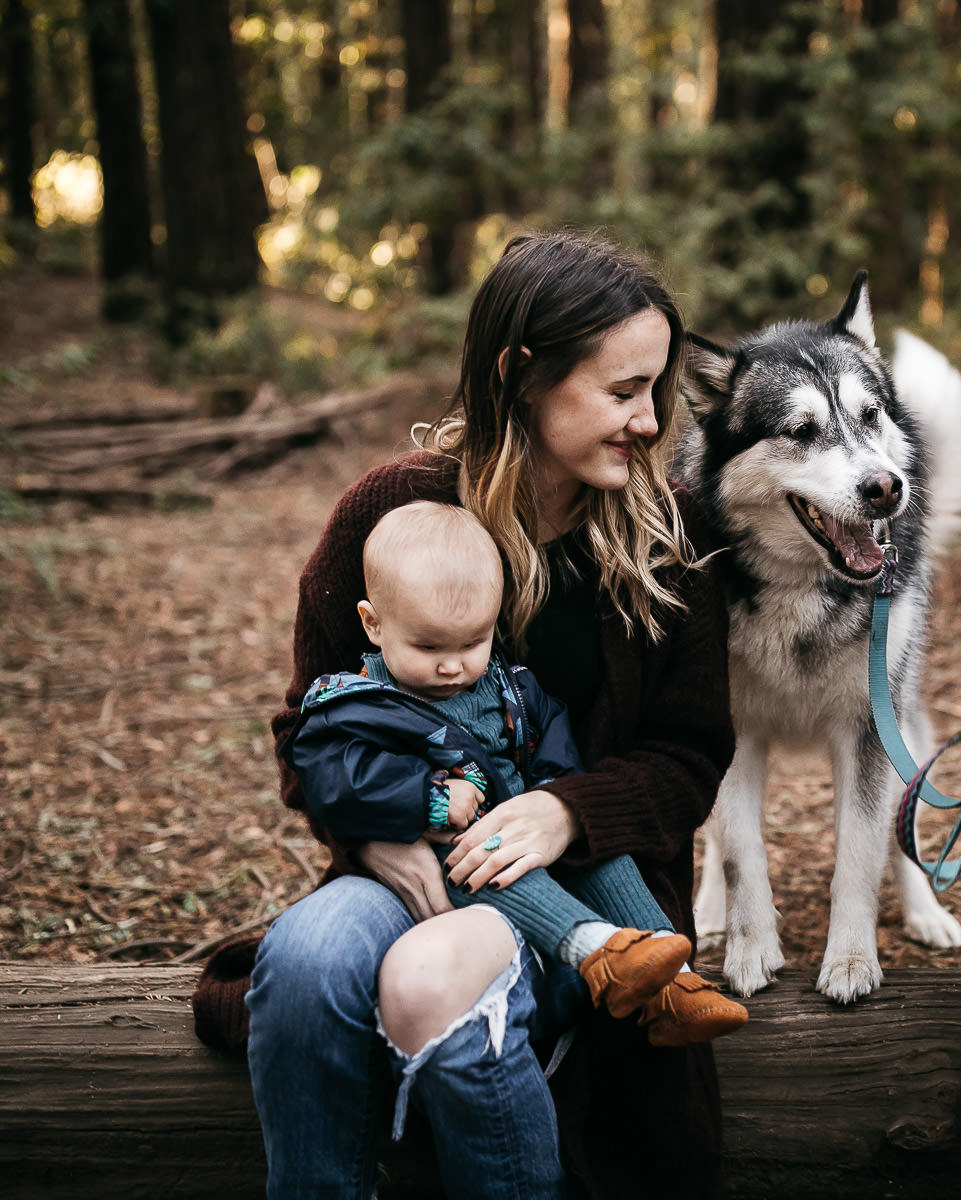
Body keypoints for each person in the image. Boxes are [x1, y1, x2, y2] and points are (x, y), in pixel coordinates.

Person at [190, 230, 736, 1200]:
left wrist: (568, 811)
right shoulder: (389, 517)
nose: (650, 422)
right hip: (416, 865)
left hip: (592, 910)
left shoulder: (673, 541)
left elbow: (690, 757)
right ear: (520, 376)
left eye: (656, 390)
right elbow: (309, 728)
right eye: (622, 392)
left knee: (434, 977)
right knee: (309, 957)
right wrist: (382, 835)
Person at [285, 499, 747, 1059]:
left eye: (471, 643)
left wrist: (558, 800)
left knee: (602, 854)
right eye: (428, 647)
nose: (452, 666)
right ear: (373, 623)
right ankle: (596, 950)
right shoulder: (358, 705)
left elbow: (552, 742)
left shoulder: (511, 689)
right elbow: (337, 781)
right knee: (486, 860)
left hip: (522, 827)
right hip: (452, 850)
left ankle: (672, 980)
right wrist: (428, 802)